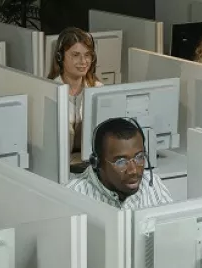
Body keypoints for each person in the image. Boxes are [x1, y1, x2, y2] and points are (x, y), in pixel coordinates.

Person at [65, 117, 173, 209]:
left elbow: (174, 230)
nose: (133, 170)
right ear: (97, 163)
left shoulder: (153, 185)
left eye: (139, 157)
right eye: (121, 162)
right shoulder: (72, 196)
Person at [47, 27, 103, 170]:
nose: (83, 61)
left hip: (92, 166)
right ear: (60, 57)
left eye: (88, 55)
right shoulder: (48, 91)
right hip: (58, 168)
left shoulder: (98, 89)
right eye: (76, 55)